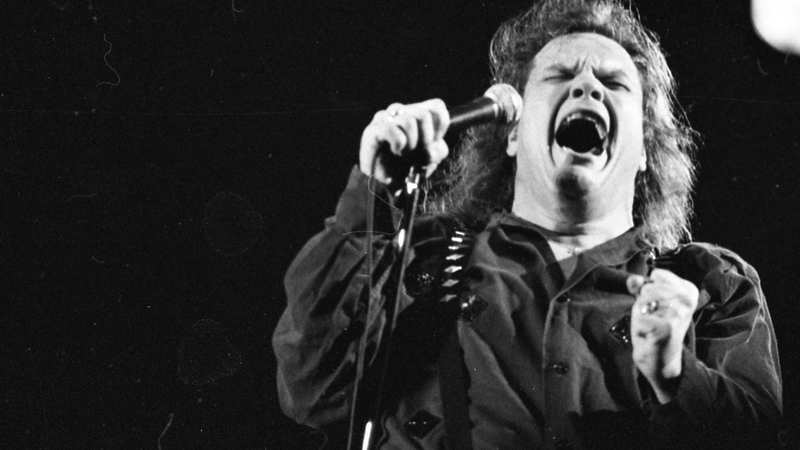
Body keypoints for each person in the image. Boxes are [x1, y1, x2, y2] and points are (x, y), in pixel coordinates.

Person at [272, 0, 783, 448]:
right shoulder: (418, 256)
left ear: (646, 150)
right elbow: (313, 389)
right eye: (561, 76)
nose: (587, 87)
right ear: (512, 134)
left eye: (613, 82)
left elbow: (758, 435)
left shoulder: (710, 285)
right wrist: (377, 193)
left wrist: (676, 376)